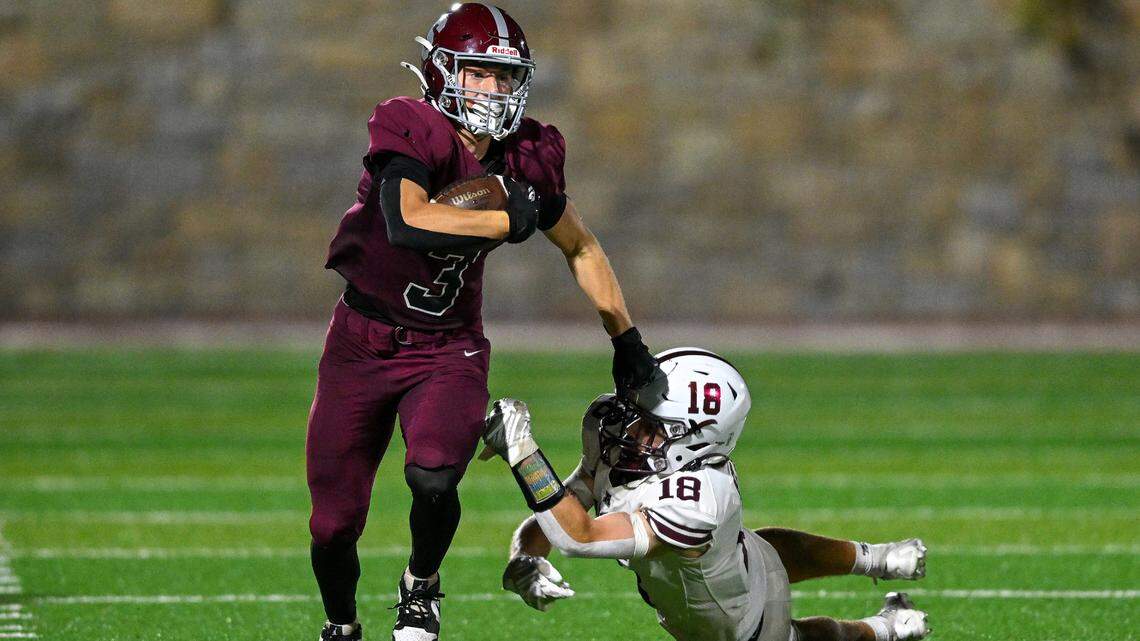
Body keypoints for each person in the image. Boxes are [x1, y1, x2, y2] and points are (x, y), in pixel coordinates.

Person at [307, 4, 662, 640]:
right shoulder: (409, 123)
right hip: (361, 342)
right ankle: (341, 623)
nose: (492, 90)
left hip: (448, 345)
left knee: (435, 473)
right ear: (443, 72)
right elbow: (405, 218)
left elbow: (580, 246)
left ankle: (421, 585)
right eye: (477, 73)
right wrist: (506, 219)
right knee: (333, 522)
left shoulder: (527, 158)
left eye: (504, 77)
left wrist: (626, 337)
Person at [482, 348, 930, 641]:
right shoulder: (639, 453)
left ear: (694, 439)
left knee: (797, 635)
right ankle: (882, 559)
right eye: (638, 415)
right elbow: (566, 504)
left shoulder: (696, 497)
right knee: (769, 551)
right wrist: (523, 556)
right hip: (743, 559)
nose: (633, 430)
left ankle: (887, 629)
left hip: (732, 627)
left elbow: (579, 535)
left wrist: (523, 451)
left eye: (653, 426)